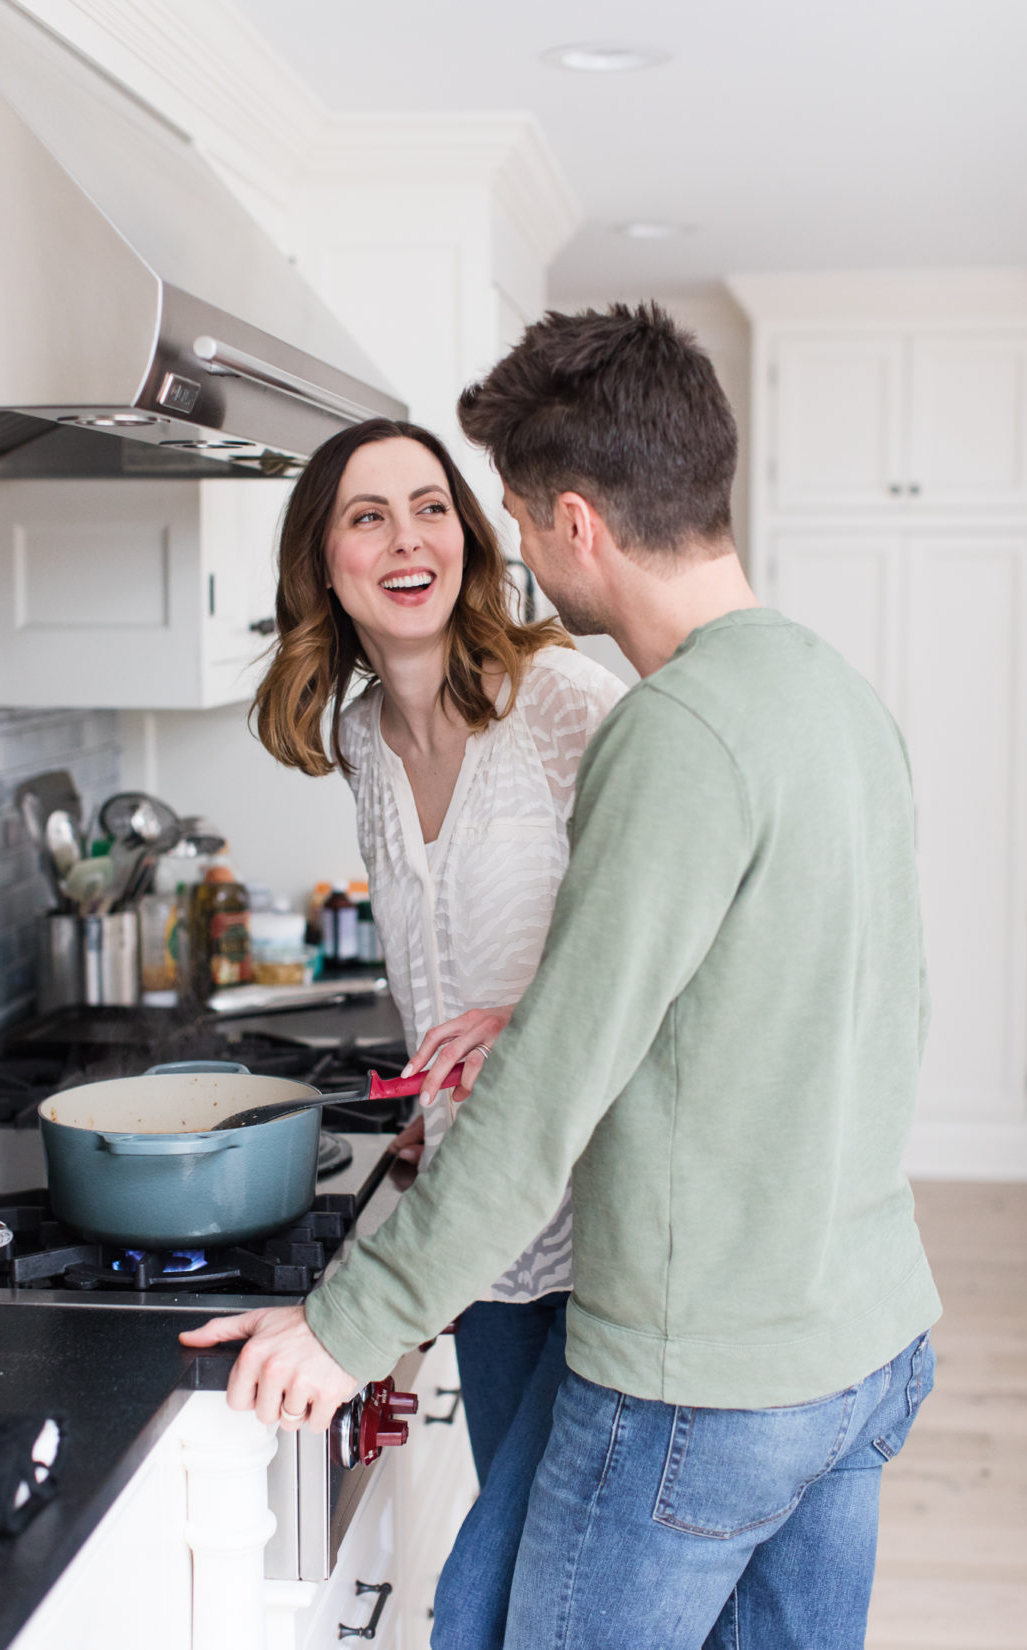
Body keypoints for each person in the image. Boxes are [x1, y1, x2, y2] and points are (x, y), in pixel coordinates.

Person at [183, 305, 942, 1650]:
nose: (509, 550)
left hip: (702, 1366)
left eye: (513, 518)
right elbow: (853, 1011)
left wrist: (349, 1326)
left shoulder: (662, 729)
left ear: (577, 522)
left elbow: (548, 1095)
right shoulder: (834, 693)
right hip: (860, 1332)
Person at [224, 415, 623, 1645]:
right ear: (325, 564)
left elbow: (669, 931)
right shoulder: (359, 741)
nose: (408, 540)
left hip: (605, 1219)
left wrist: (531, 1016)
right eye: (367, 515)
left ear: (467, 533)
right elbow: (430, 965)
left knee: (496, 1605)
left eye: (430, 506)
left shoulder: (561, 701)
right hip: (477, 1239)